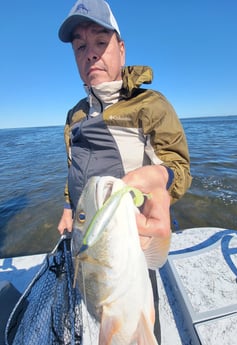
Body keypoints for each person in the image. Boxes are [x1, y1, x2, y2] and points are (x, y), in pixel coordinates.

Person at [57, 0, 192, 343]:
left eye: (101, 43)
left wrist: (161, 180)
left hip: (128, 236)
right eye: (81, 47)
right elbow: (73, 165)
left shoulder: (150, 105)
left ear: (121, 47)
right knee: (98, 308)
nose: (90, 55)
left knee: (135, 317)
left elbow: (179, 167)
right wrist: (69, 206)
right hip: (86, 235)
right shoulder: (75, 114)